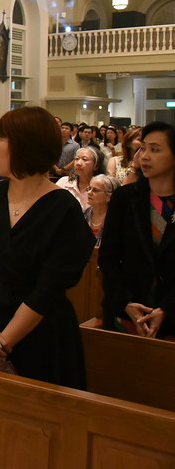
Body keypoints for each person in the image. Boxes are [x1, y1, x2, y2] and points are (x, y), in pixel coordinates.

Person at [0, 106, 94, 389]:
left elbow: (48, 289)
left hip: (38, 334)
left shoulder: (63, 208)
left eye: (0, 138)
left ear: (26, 145)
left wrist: (1, 347)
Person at [99, 121, 175, 340]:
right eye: (143, 148)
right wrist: (125, 302)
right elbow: (108, 258)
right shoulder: (125, 198)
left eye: (155, 150)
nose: (145, 156)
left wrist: (167, 308)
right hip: (127, 311)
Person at [56, 146, 102, 211]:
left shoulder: (100, 187)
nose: (78, 163)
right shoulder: (63, 182)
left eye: (84, 159)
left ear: (96, 166)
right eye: (77, 159)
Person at [84, 174, 118, 247]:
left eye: (95, 190)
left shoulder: (116, 220)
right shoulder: (83, 215)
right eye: (89, 188)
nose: (89, 192)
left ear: (109, 196)